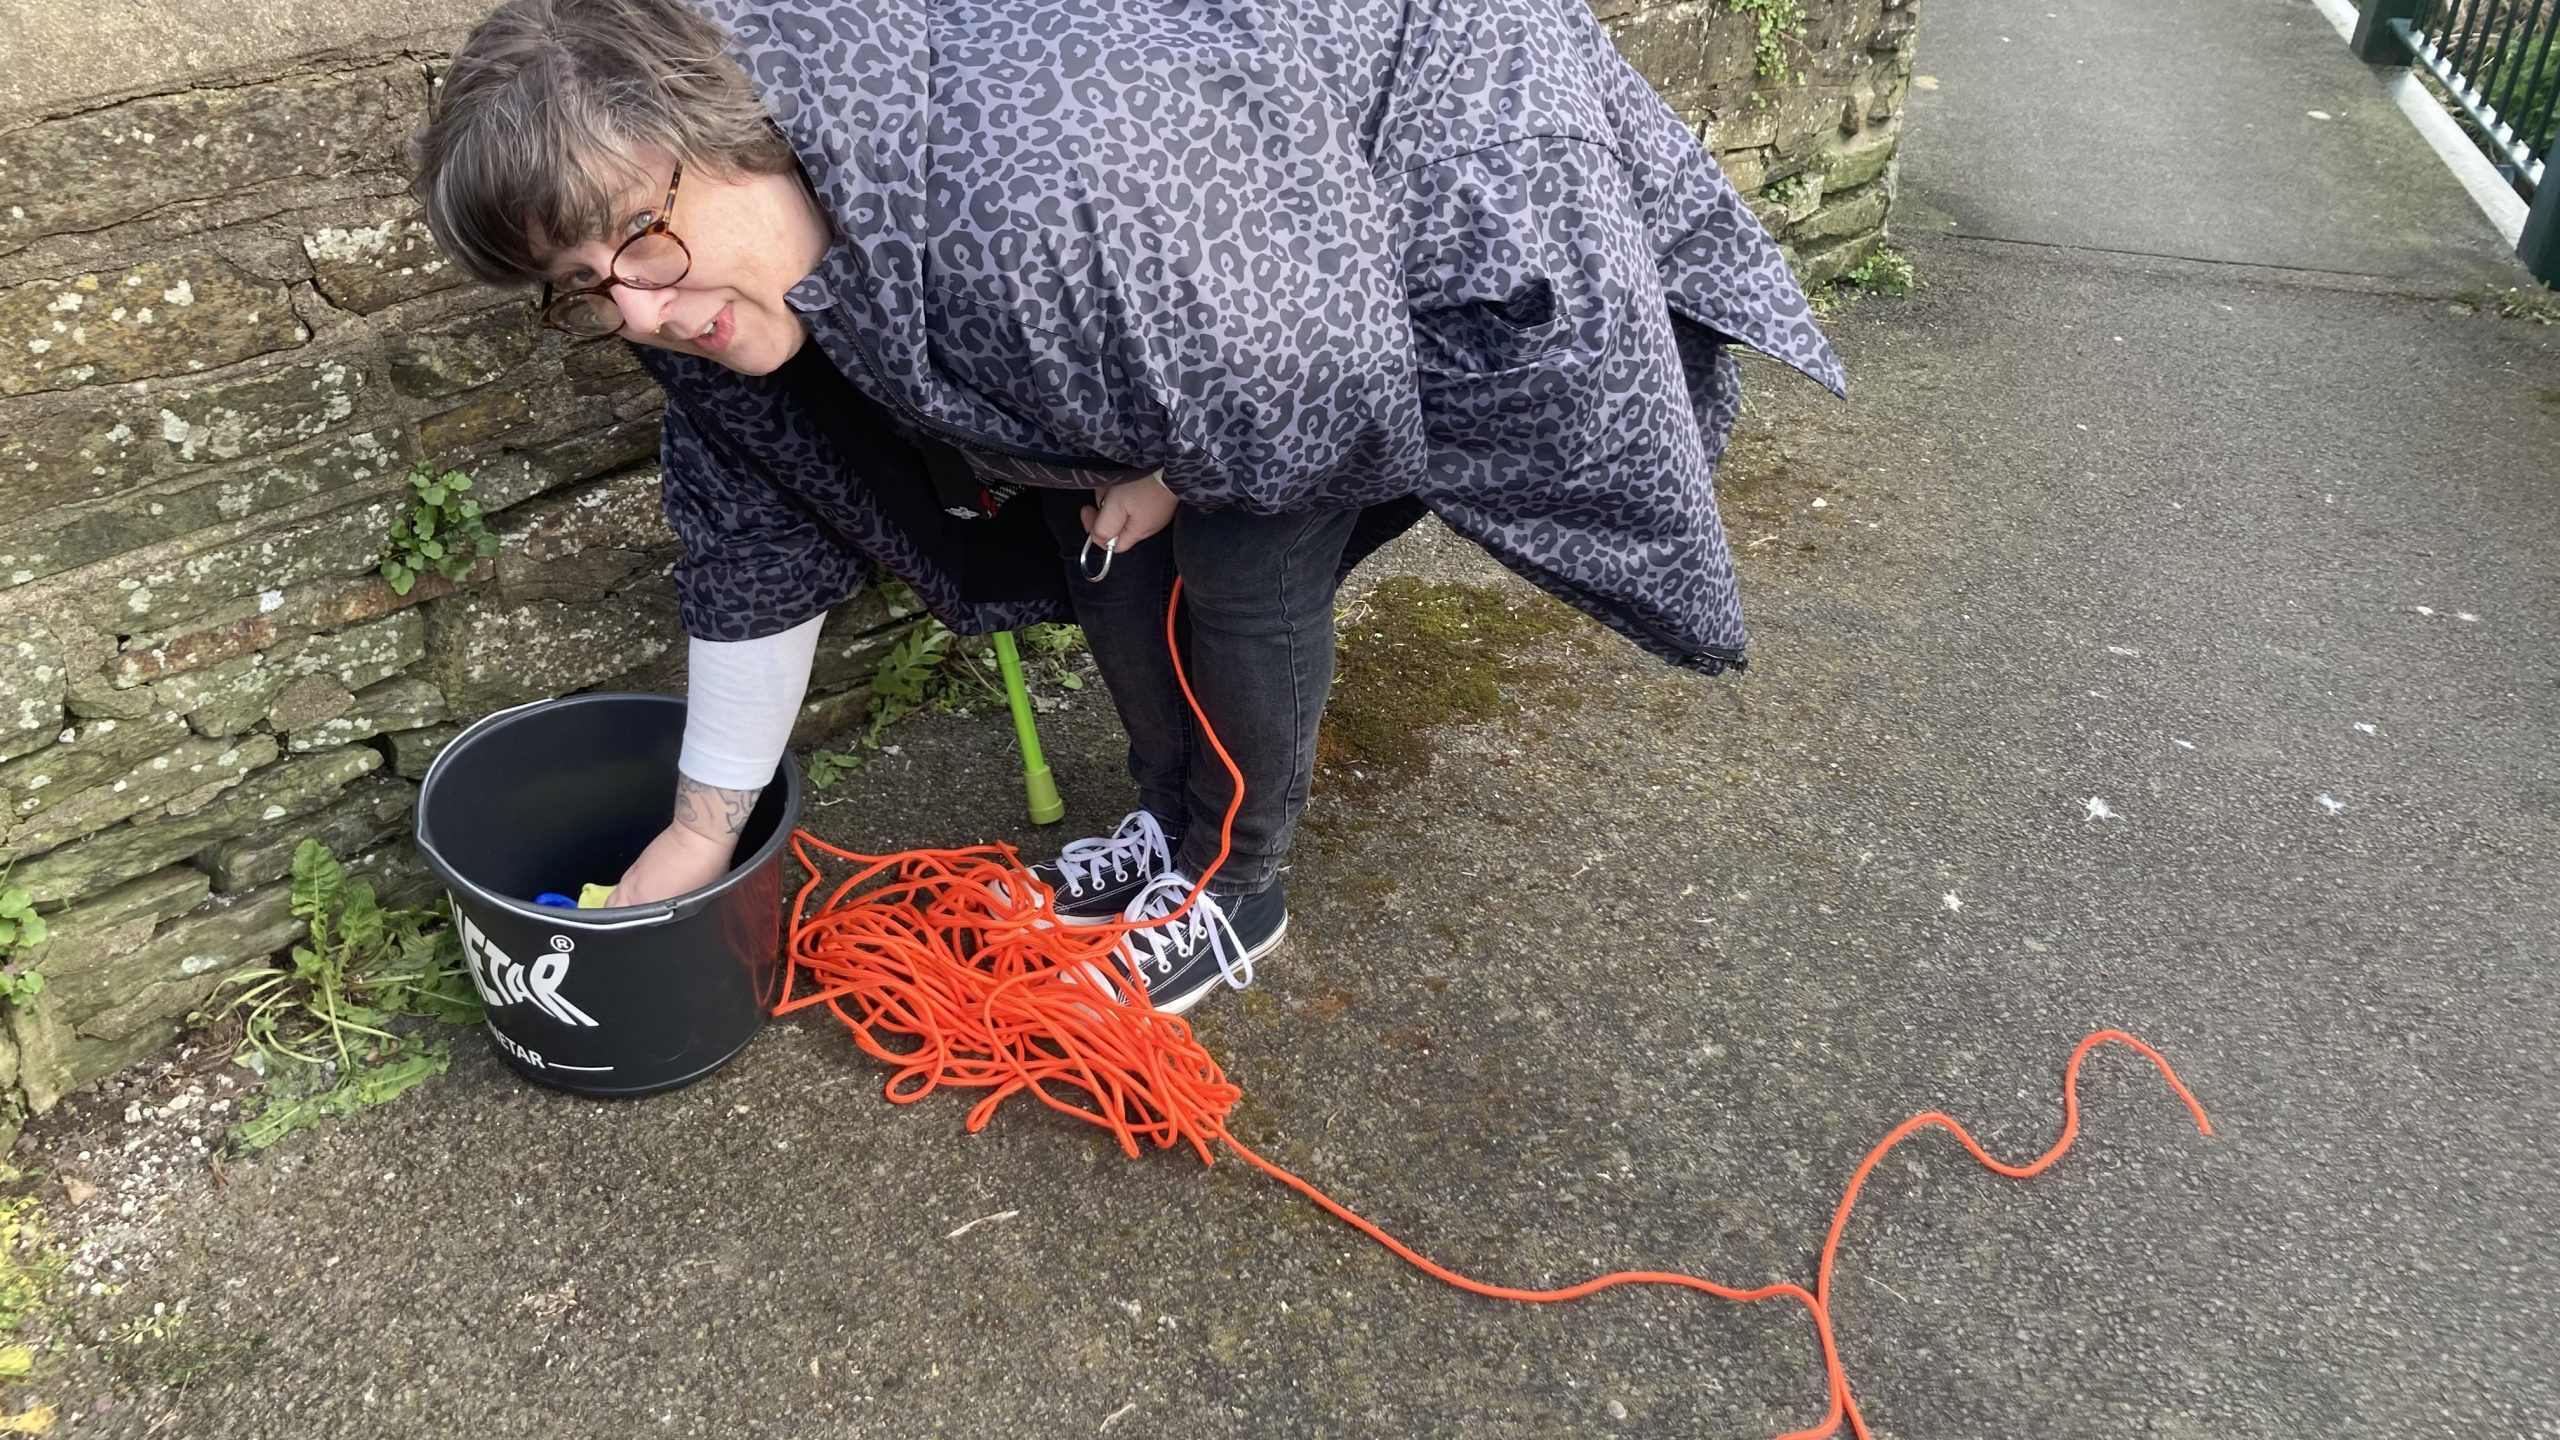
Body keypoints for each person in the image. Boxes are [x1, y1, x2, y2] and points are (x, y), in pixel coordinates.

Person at [410, 0, 1843, 1016]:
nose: (641, 311)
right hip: (1227, 239)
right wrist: (699, 836)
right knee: (1093, 548)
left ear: (735, 126)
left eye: (643, 242)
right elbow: (752, 546)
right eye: (586, 289)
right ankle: (1173, 825)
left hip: (1417, 138)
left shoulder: (1048, 216)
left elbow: (1298, 379)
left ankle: (1238, 888)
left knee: (1237, 557)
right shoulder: (758, 244)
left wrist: (1167, 468)